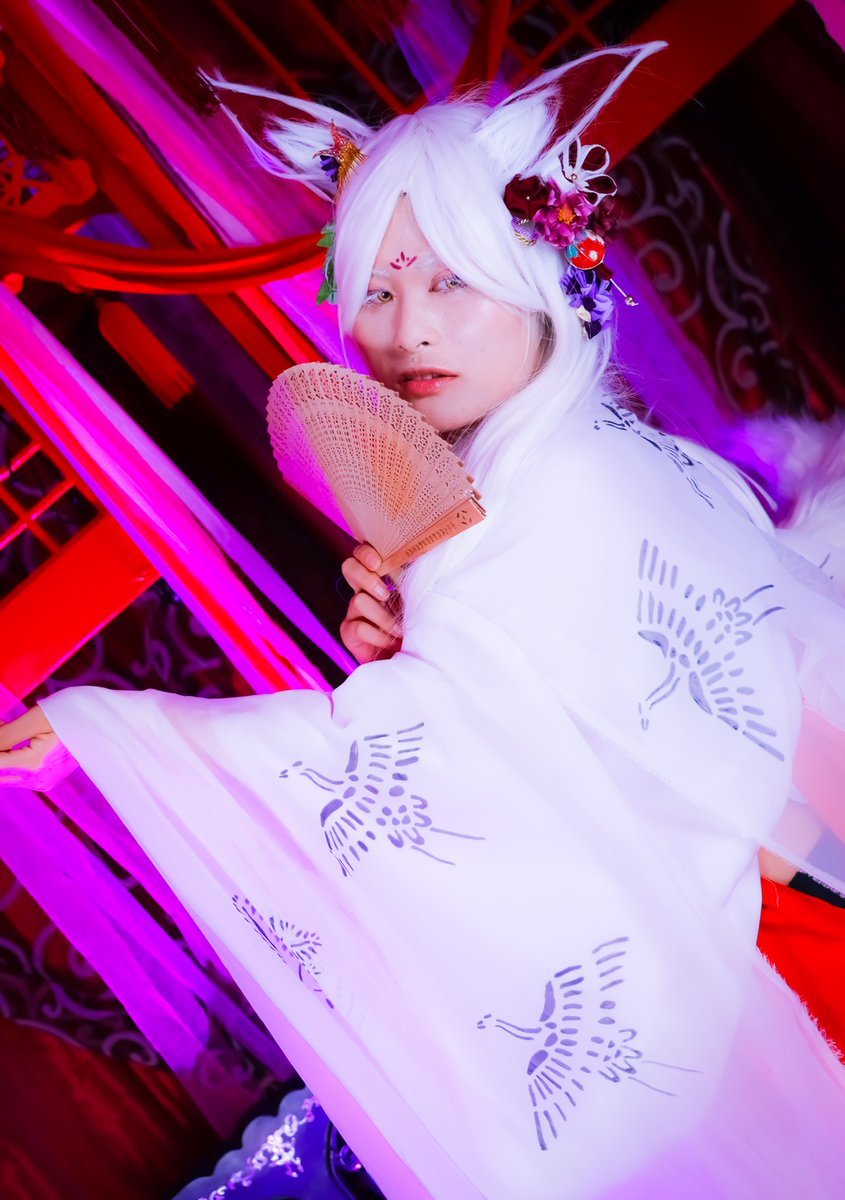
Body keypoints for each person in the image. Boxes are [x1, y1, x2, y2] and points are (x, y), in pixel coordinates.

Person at [2, 43, 845, 1200]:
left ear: (535, 274)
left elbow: (451, 754)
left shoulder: (558, 485)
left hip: (773, 930)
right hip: (761, 912)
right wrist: (416, 650)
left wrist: (126, 733)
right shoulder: (559, 462)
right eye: (378, 292)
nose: (407, 331)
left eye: (450, 281)